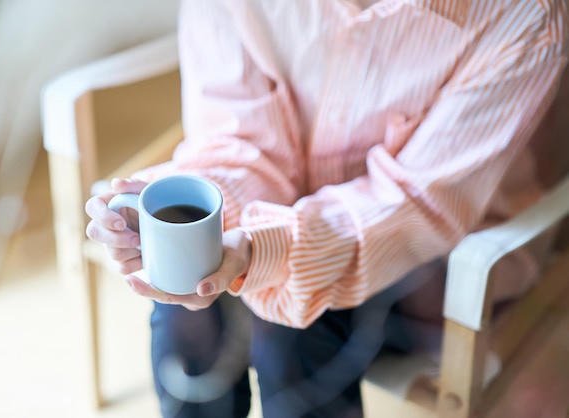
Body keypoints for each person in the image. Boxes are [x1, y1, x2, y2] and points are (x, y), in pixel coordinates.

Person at [84, 1, 568, 416]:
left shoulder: (523, 15)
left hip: (448, 254)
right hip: (290, 207)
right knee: (185, 294)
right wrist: (163, 227)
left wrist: (271, 250)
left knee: (294, 322)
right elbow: (243, 141)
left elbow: (419, 205)